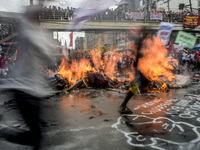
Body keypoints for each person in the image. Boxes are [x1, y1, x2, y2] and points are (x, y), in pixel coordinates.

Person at [0, 4, 55, 150]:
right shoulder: (27, 33)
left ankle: (7, 134)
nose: (39, 15)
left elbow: (48, 56)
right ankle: (6, 134)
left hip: (35, 92)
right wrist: (41, 3)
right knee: (36, 135)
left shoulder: (37, 32)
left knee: (37, 134)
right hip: (24, 91)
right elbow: (46, 54)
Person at [118, 28, 150, 114]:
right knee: (133, 88)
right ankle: (122, 106)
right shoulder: (139, 42)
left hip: (138, 67)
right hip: (136, 68)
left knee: (142, 83)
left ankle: (141, 89)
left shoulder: (140, 43)